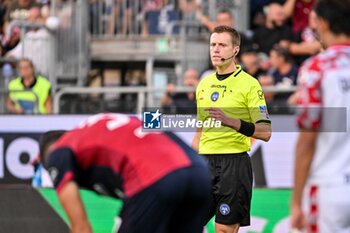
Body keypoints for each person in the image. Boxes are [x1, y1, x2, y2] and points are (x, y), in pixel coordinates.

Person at [39, 113, 211, 233]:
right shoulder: (92, 132)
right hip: (200, 174)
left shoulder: (59, 152)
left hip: (156, 177)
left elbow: (81, 228)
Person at [192, 25, 272, 233]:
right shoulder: (204, 84)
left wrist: (232, 122)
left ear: (235, 50)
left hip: (234, 165)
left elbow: (265, 132)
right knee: (186, 223)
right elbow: (200, 129)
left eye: (222, 45)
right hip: (204, 163)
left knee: (224, 230)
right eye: (213, 44)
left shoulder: (250, 85)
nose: (215, 50)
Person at [291, 0, 350, 232]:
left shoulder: (318, 68)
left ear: (324, 23)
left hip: (331, 186)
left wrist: (296, 201)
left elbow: (307, 138)